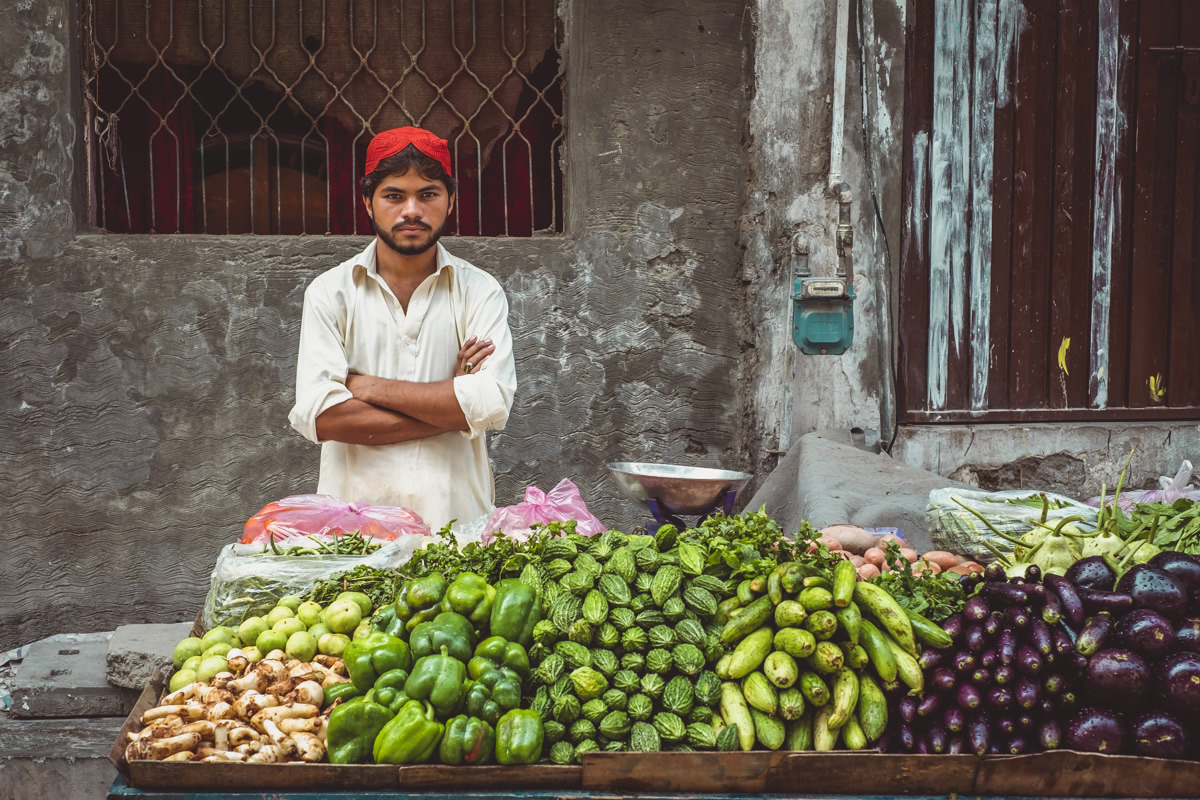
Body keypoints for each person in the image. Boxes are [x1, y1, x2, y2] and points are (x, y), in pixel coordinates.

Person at [289, 126, 517, 531]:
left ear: (451, 201)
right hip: (356, 538)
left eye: (428, 194)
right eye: (394, 195)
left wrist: (365, 386)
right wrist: (453, 407)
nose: (412, 210)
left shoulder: (479, 290)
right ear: (368, 202)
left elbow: (490, 402)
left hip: (457, 530)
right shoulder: (331, 293)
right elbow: (323, 418)